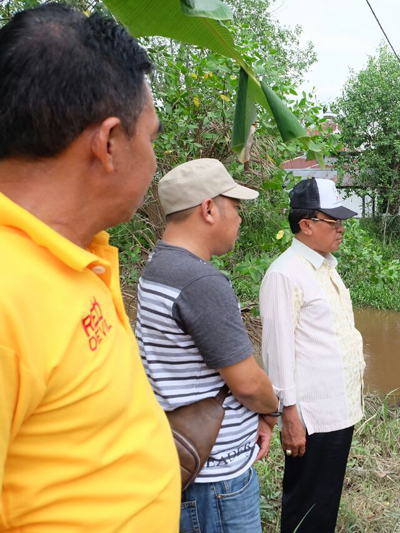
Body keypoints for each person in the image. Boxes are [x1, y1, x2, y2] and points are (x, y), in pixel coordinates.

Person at [0, 5, 180, 530]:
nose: (153, 157)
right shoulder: (9, 294)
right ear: (107, 144)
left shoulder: (73, 257)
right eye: (149, 136)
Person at [136, 159, 280, 532]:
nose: (240, 218)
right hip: (218, 482)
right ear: (209, 208)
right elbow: (247, 383)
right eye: (235, 206)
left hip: (180, 458)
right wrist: (271, 411)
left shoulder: (156, 268)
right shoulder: (202, 283)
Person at [260, 178, 366, 533]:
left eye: (342, 222)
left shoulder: (325, 267)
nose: (340, 229)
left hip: (339, 410)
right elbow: (277, 353)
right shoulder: (284, 274)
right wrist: (289, 416)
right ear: (305, 225)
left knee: (325, 502)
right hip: (312, 417)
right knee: (306, 506)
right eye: (332, 221)